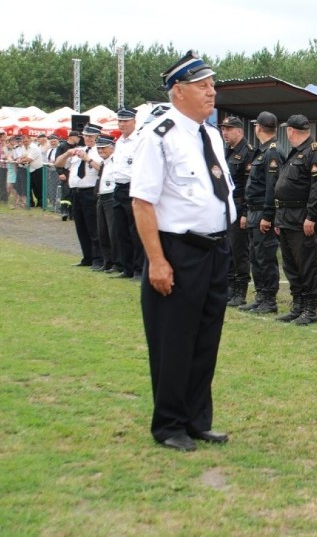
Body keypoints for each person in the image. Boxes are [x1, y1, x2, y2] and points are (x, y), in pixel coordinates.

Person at [130, 50, 235, 452]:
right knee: (174, 340)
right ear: (178, 91)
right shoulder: (158, 137)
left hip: (215, 249)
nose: (212, 92)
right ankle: (169, 424)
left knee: (206, 339)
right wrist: (157, 260)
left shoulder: (209, 136)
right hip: (179, 250)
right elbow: (142, 203)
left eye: (212, 85)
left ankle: (196, 420)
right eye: (203, 86)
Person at [273, 114, 317, 325]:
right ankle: (297, 305)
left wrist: (311, 217)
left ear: (291, 131)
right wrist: (278, 219)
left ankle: (310, 309)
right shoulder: (295, 153)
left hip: (301, 218)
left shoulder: (314, 152)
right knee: (291, 265)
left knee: (306, 264)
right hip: (286, 217)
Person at [238, 111, 285, 315]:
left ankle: (269, 299)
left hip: (263, 213)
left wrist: (268, 216)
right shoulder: (262, 151)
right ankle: (260, 296)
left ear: (258, 128)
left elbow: (271, 187)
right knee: (256, 257)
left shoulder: (272, 152)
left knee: (265, 257)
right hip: (254, 211)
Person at [54, 124, 104, 268]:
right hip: (76, 191)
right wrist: (67, 154)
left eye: (91, 136)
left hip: (90, 191)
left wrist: (87, 159)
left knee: (93, 227)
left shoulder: (99, 151)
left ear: (97, 137)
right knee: (80, 226)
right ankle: (87, 257)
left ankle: (98, 259)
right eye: (86, 136)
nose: (88, 139)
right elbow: (58, 163)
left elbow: (102, 169)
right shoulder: (78, 150)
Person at [220, 116, 254, 307]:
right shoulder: (226, 152)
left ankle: (240, 291)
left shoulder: (247, 153)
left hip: (239, 205)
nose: (225, 132)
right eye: (223, 129)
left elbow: (249, 186)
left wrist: (245, 212)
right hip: (226, 205)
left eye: (229, 129)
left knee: (239, 250)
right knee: (227, 250)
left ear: (240, 131)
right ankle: (230, 288)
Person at [111, 107, 144, 281]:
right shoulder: (119, 142)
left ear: (134, 122)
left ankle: (139, 269)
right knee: (121, 230)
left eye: (125, 121)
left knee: (135, 230)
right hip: (119, 187)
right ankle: (127, 267)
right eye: (120, 121)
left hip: (133, 188)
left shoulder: (139, 140)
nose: (122, 124)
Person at [94, 134, 120, 273]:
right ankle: (108, 261)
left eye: (103, 148)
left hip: (111, 195)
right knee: (102, 231)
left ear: (112, 148)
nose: (100, 151)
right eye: (99, 148)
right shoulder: (105, 162)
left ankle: (117, 262)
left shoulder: (115, 161)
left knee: (112, 231)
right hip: (102, 196)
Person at [54, 130, 81, 221]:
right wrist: (60, 173)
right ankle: (64, 211)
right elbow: (57, 160)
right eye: (77, 137)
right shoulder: (62, 146)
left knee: (74, 193)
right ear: (71, 137)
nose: (78, 138)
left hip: (74, 172)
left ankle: (72, 212)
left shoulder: (78, 147)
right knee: (66, 192)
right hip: (65, 171)